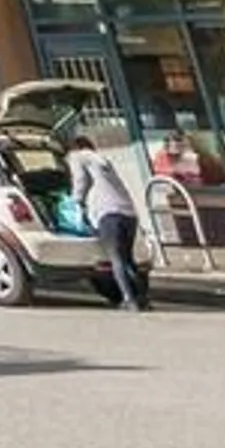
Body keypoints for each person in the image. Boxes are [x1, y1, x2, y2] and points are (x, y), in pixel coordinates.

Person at [66, 126, 147, 312]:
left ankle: (129, 299)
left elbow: (80, 182)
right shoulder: (103, 161)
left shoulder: (78, 157)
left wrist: (75, 201)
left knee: (116, 259)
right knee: (128, 259)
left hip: (108, 213)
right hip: (128, 213)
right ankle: (142, 298)